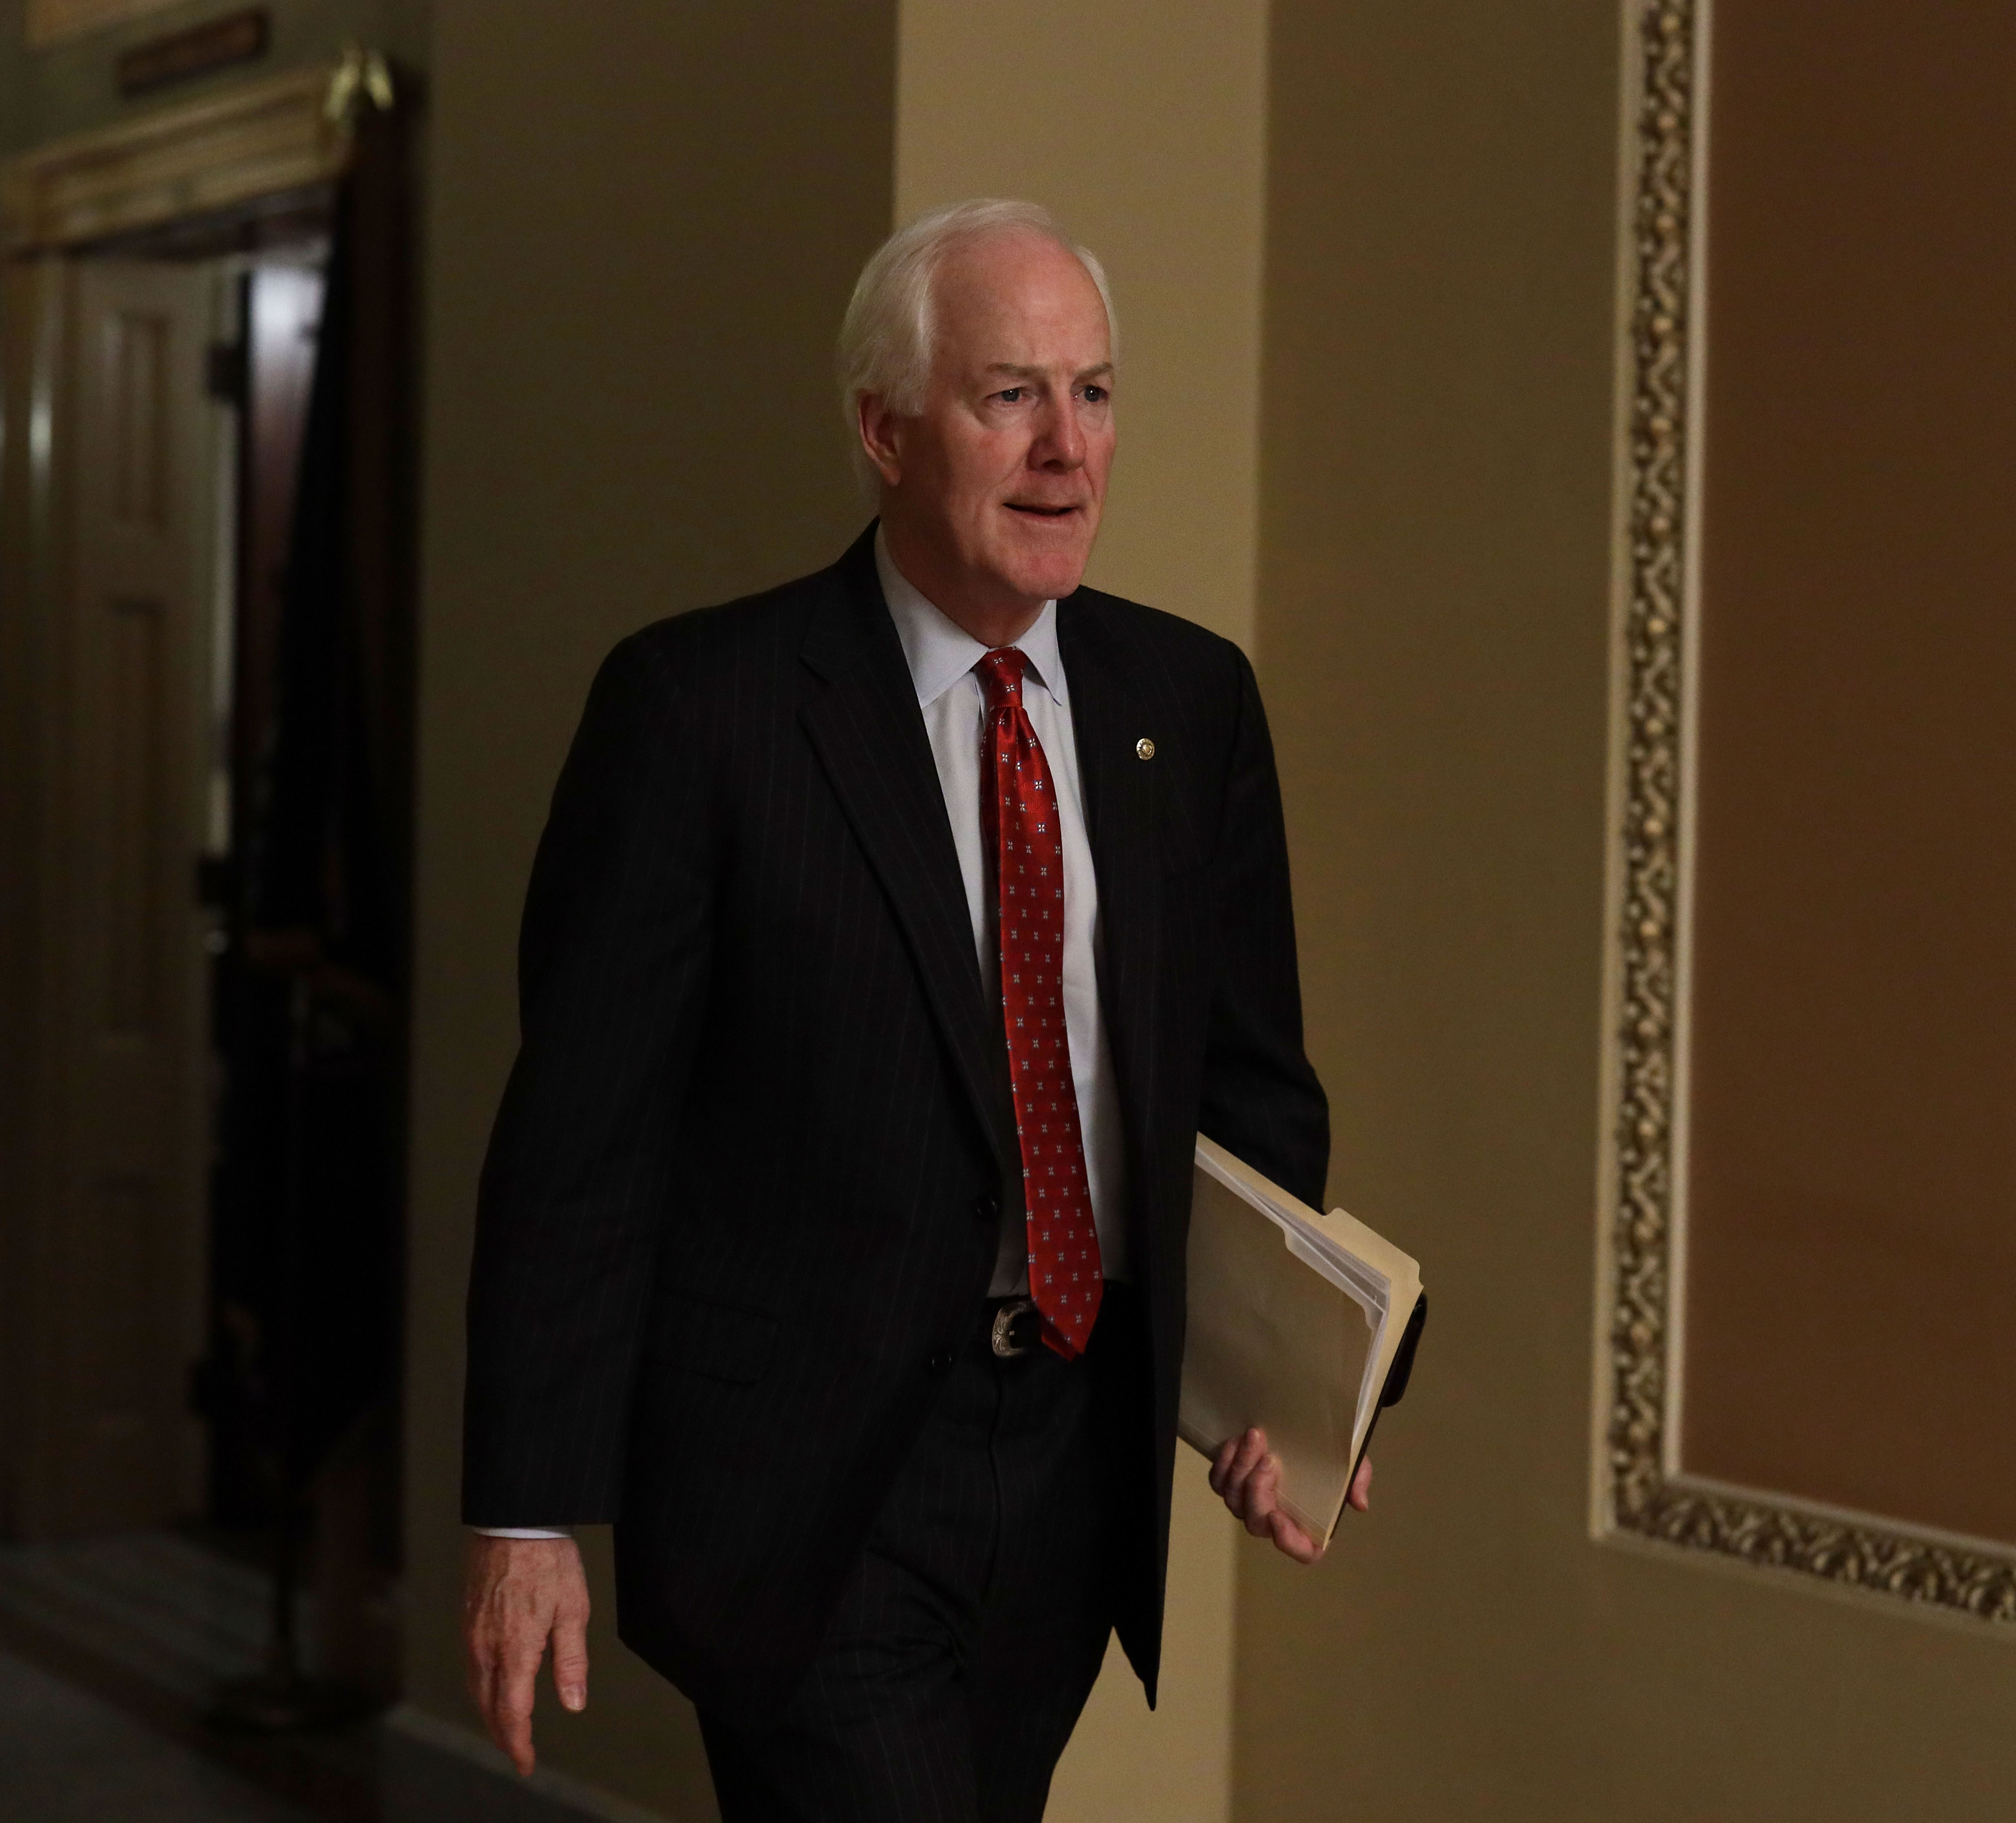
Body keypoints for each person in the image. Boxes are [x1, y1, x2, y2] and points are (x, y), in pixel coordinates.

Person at [460, 197, 1360, 1823]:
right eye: (1007, 394)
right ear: (883, 429)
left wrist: (1298, 1401)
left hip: (1074, 1468)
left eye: (1092, 394)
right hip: (808, 1489)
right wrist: (528, 1514)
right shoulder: (702, 710)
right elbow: (584, 1136)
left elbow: (1247, 1094)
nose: (1064, 450)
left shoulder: (1187, 704)